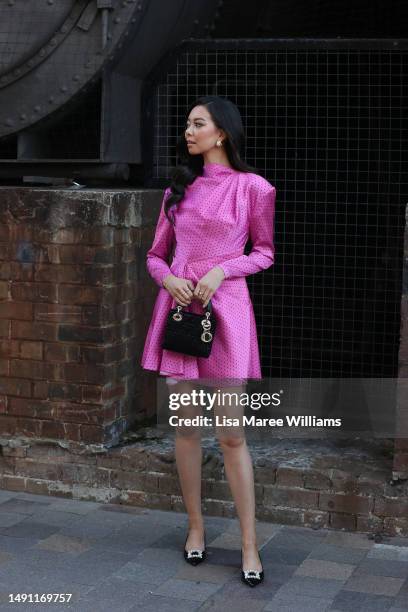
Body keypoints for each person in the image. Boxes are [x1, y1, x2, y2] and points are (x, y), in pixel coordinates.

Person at [141, 95, 276, 587]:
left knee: (232, 434)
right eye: (187, 125)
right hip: (180, 312)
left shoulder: (253, 188)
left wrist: (222, 268)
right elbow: (155, 255)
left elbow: (263, 252)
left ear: (222, 133)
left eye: (198, 124)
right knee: (187, 430)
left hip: (229, 313)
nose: (188, 132)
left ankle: (248, 542)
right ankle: (195, 528)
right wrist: (167, 278)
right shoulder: (178, 191)